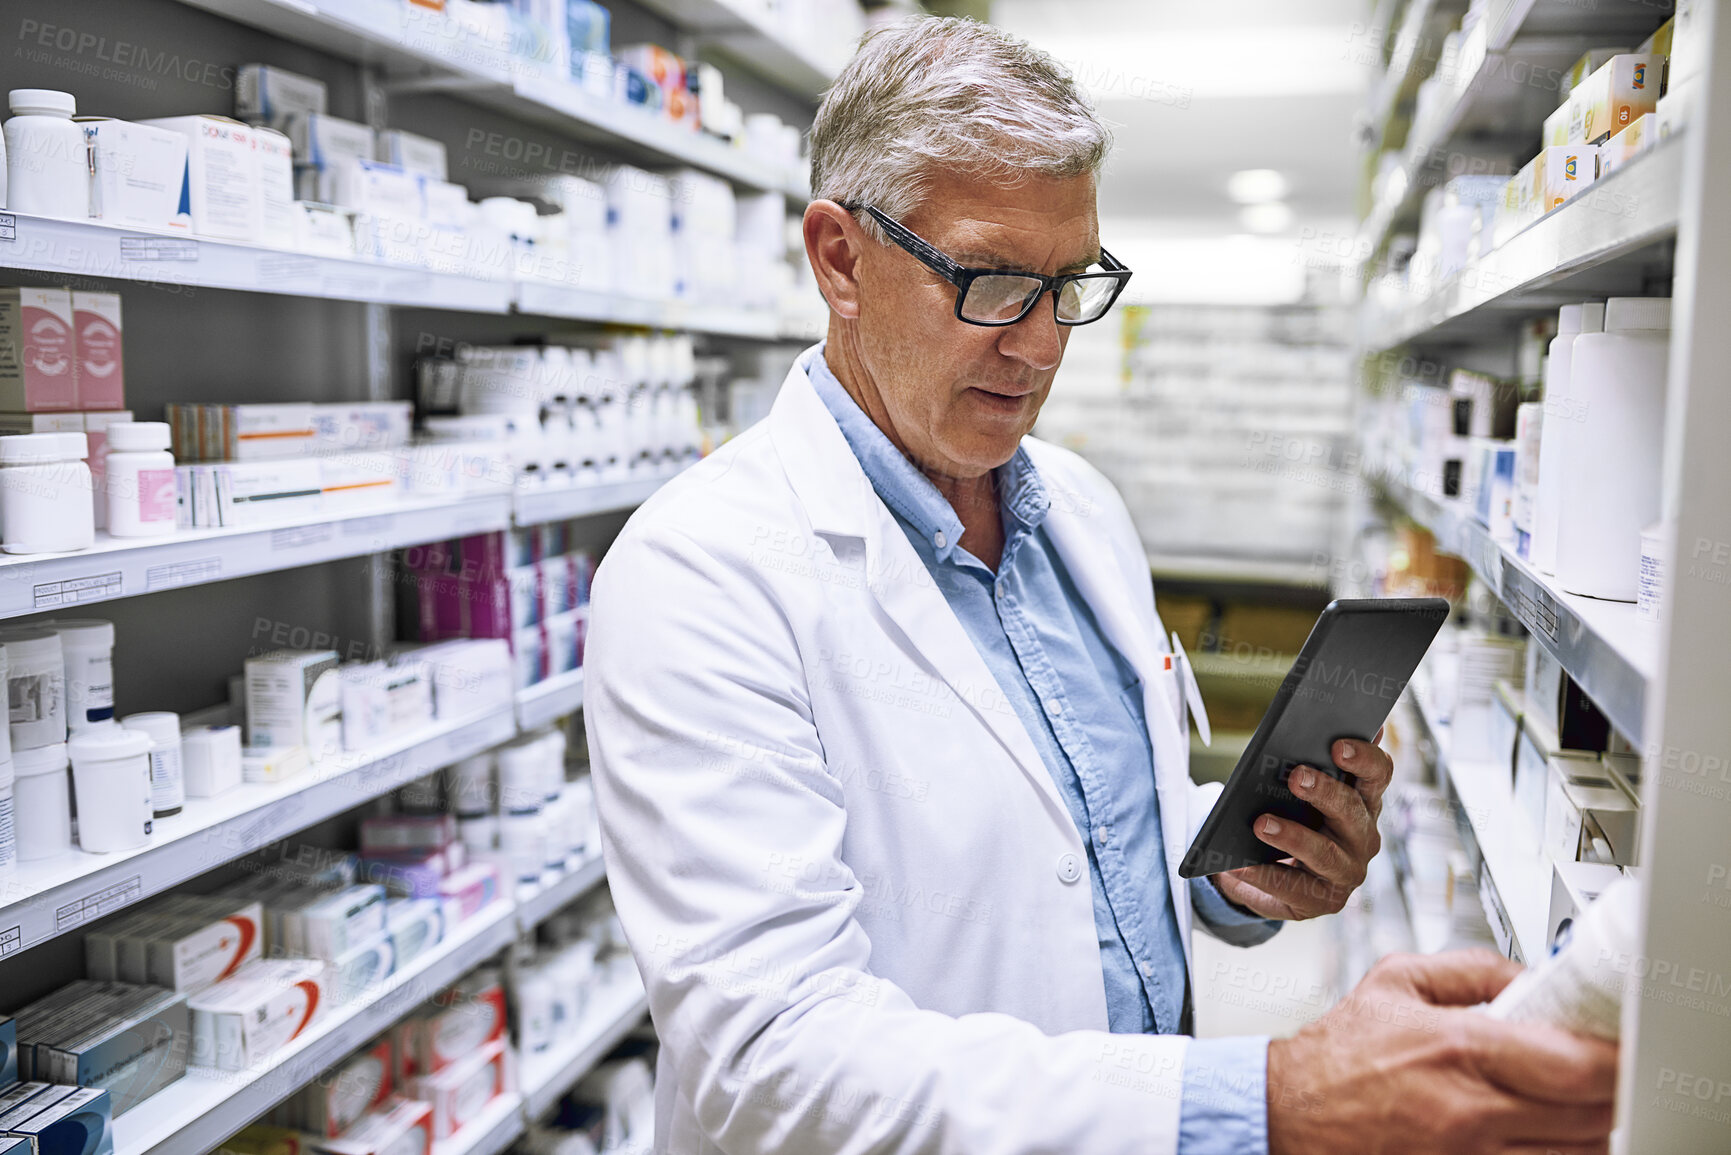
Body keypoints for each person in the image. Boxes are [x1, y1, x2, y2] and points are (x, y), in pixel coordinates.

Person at [584, 16, 1617, 1154]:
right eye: (989, 282)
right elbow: (769, 1059)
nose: (1039, 346)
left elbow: (1106, 842)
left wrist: (1247, 873)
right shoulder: (697, 577)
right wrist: (1272, 1098)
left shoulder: (1079, 509)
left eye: (1068, 284)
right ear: (840, 258)